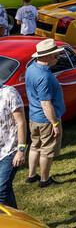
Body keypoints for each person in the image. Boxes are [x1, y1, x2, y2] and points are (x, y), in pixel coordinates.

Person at [25, 39, 65, 187]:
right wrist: (54, 123)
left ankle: (31, 175)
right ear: (46, 57)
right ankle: (44, 180)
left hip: (33, 117)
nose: (58, 58)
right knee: (47, 151)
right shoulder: (45, 77)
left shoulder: (31, 68)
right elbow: (46, 103)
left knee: (35, 146)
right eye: (55, 56)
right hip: (45, 120)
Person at [0, 80, 27, 208]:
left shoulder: (9, 93)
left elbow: (21, 122)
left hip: (10, 150)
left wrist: (21, 150)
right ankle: (17, 221)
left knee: (1, 190)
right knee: (6, 188)